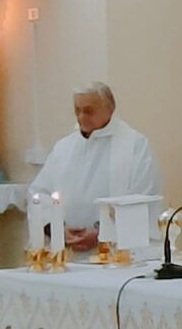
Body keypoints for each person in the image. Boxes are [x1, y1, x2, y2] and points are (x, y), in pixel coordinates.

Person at [34, 83, 161, 250]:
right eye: (77, 110)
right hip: (69, 250)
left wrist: (103, 232)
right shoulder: (63, 148)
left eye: (88, 111)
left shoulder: (134, 145)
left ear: (110, 109)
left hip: (116, 250)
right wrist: (55, 229)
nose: (81, 117)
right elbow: (39, 193)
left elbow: (142, 197)